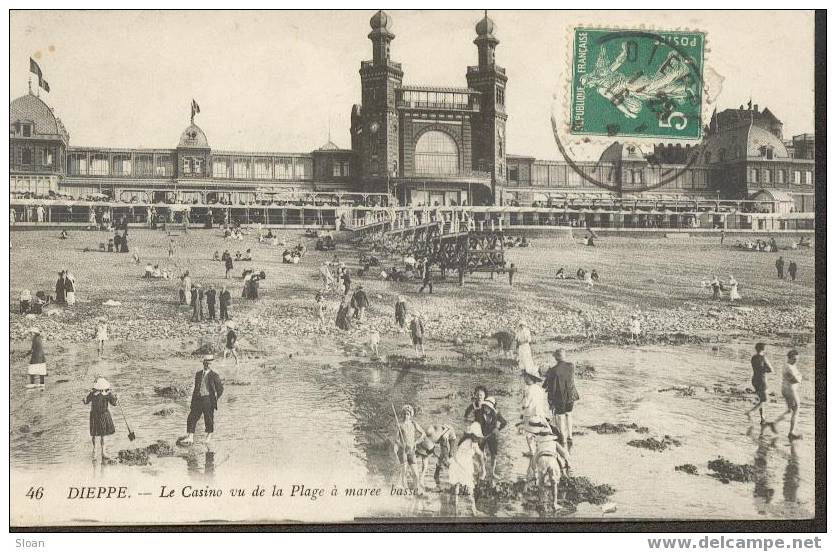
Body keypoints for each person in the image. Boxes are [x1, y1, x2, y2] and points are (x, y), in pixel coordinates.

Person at [181, 355, 224, 446]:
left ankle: (209, 436)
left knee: (208, 418)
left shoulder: (214, 375)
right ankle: (190, 437)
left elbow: (220, 389)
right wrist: (193, 401)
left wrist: (214, 399)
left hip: (208, 399)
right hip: (197, 399)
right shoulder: (198, 374)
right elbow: (196, 388)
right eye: (206, 362)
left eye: (210, 363)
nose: (208, 364)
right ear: (203, 363)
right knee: (192, 417)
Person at [464, 392, 507, 480]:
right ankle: (483, 471)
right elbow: (473, 422)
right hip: (481, 436)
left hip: (491, 436)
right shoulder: (479, 412)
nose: (486, 408)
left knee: (494, 454)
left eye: (488, 407)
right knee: (480, 454)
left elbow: (504, 422)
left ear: (492, 408)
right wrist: (472, 428)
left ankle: (493, 472)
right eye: (485, 406)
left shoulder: (496, 414)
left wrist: (498, 429)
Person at [543, 349, 580, 449]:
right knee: (569, 414)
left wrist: (550, 401)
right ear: (564, 356)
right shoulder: (571, 366)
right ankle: (570, 436)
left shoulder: (553, 370)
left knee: (560, 417)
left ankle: (563, 439)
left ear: (556, 358)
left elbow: (550, 387)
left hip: (559, 397)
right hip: (570, 395)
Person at [446, 422, 486, 511]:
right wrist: (483, 468)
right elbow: (480, 455)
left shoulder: (463, 441)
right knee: (470, 489)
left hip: (456, 464)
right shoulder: (473, 444)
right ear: (472, 435)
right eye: (476, 436)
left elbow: (459, 454)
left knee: (457, 486)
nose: (477, 438)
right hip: (464, 466)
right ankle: (473, 510)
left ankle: (456, 509)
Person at [769, 350, 803, 440]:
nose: (796, 361)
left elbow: (796, 378)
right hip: (790, 390)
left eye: (797, 359)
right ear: (790, 357)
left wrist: (799, 377)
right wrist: (800, 377)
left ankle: (774, 423)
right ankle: (791, 433)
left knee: (789, 410)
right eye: (794, 359)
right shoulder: (789, 367)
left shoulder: (789, 365)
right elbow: (796, 380)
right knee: (796, 409)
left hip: (786, 388)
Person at [393, 404, 426, 492]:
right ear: (402, 414)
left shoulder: (414, 424)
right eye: (404, 414)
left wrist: (416, 442)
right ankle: (406, 490)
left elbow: (423, 434)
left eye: (407, 414)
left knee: (416, 474)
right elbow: (396, 439)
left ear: (411, 414)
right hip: (403, 451)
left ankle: (416, 490)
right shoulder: (400, 425)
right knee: (404, 471)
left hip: (411, 451)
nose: (406, 416)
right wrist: (401, 444)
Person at [83, 377, 118, 461]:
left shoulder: (93, 393)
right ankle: (103, 452)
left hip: (95, 415)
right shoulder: (107, 394)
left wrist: (83, 400)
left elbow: (86, 401)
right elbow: (114, 403)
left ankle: (95, 452)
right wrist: (117, 398)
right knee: (103, 434)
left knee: (95, 434)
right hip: (103, 415)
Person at [416, 424, 457, 488]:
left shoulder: (445, 436)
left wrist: (449, 454)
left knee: (447, 458)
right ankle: (423, 478)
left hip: (447, 433)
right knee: (429, 458)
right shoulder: (427, 434)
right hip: (436, 434)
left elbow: (450, 443)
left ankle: (454, 478)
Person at [746, 342, 773, 424]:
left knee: (761, 399)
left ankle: (762, 418)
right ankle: (751, 412)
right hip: (762, 379)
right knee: (765, 400)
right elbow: (771, 370)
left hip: (754, 379)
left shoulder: (753, 358)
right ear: (763, 349)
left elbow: (756, 367)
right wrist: (764, 369)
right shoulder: (763, 358)